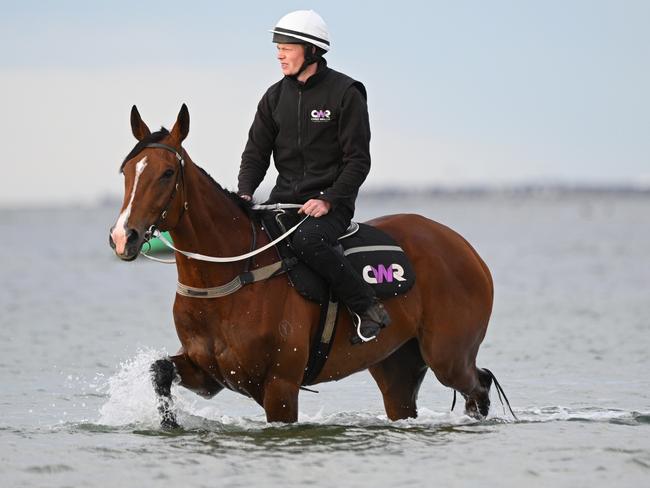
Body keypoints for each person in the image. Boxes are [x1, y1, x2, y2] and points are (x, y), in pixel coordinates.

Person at [237, 10, 390, 343]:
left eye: (287, 46)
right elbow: (255, 155)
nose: (279, 53)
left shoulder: (347, 93)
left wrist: (328, 200)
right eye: (277, 45)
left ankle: (367, 307)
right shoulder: (273, 98)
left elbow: (358, 161)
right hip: (281, 201)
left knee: (309, 240)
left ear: (312, 50)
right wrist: (246, 193)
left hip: (330, 205)